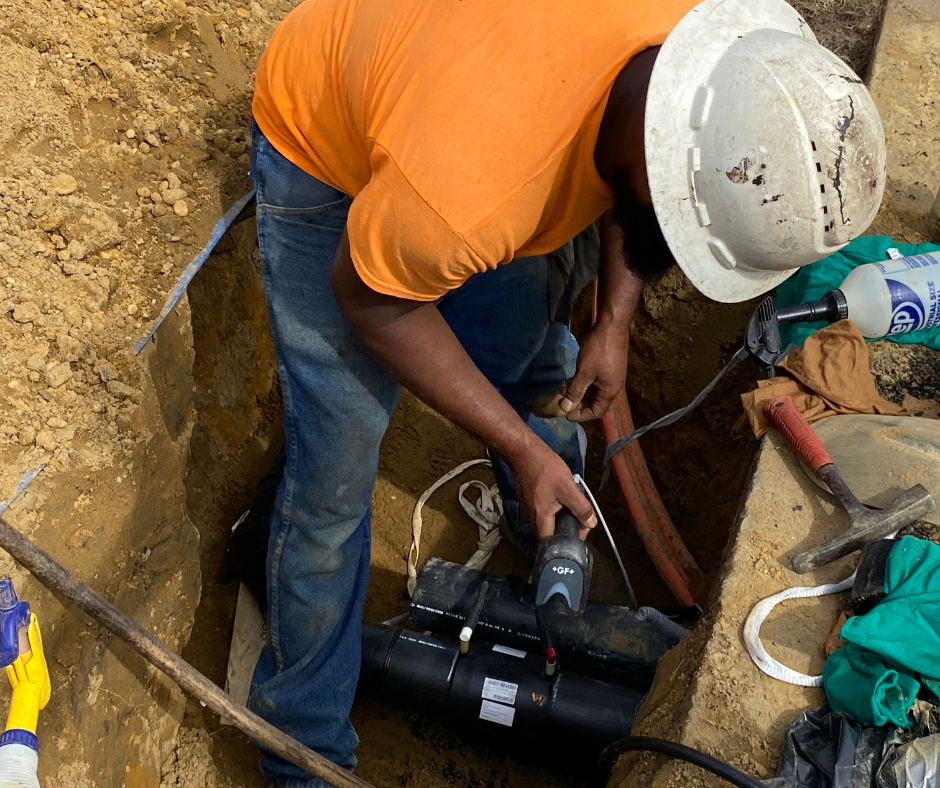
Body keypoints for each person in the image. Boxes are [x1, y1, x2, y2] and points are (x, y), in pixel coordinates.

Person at [246, 0, 886, 783]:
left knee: (532, 353)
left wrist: (612, 320)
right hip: (325, 135)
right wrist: (516, 444)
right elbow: (373, 302)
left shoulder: (705, 55)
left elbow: (641, 179)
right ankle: (299, 749)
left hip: (469, 108)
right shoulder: (466, 195)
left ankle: (550, 529)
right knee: (331, 491)